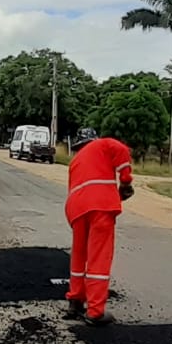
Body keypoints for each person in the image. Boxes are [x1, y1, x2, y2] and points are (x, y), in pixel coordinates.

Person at [63, 127, 134, 325]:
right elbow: (121, 149)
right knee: (98, 257)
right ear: (93, 139)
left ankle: (75, 301)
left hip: (76, 208)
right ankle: (95, 311)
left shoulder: (75, 160)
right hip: (100, 205)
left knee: (79, 255)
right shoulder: (102, 144)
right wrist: (126, 182)